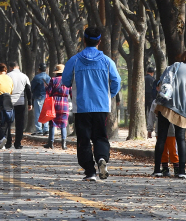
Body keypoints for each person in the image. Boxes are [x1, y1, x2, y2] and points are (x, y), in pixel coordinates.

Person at [62, 27, 121, 182]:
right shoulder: (108, 62)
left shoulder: (74, 60)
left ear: (84, 40)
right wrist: (109, 95)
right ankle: (102, 158)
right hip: (101, 106)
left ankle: (90, 171)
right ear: (99, 42)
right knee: (100, 136)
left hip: (81, 106)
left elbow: (65, 81)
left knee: (84, 139)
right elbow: (116, 81)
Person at [151, 50, 186, 179]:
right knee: (180, 139)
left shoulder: (175, 66)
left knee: (162, 137)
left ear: (184, 57)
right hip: (183, 110)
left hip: (167, 105)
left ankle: (157, 169)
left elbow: (162, 82)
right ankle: (181, 171)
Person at [148, 97, 179, 177]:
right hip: (159, 130)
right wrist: (150, 129)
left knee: (173, 150)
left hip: (171, 131)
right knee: (163, 150)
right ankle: (165, 168)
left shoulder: (174, 99)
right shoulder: (156, 101)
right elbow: (152, 115)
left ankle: (176, 167)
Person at [44, 64, 70, 150]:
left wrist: (46, 87)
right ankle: (64, 144)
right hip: (65, 104)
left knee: (52, 123)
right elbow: (71, 92)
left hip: (54, 103)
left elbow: (49, 91)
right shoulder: (68, 80)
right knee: (63, 124)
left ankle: (50, 143)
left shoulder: (53, 80)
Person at [8, 61, 32, 150]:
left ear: (11, 67)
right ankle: (17, 143)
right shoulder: (24, 76)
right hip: (20, 101)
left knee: (8, 122)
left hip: (9, 101)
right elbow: (28, 90)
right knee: (20, 123)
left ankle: (8, 142)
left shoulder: (8, 76)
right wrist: (30, 103)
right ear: (18, 67)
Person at [31, 64, 50, 135]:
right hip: (46, 97)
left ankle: (39, 129)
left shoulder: (37, 77)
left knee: (38, 113)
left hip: (38, 96)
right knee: (46, 113)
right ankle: (46, 129)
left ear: (39, 69)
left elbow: (32, 87)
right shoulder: (49, 77)